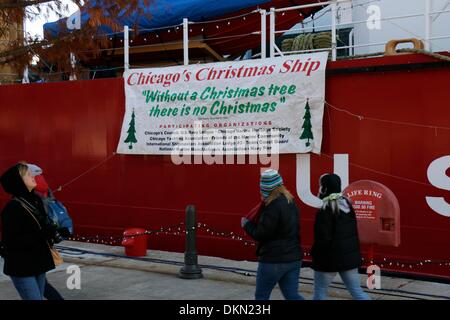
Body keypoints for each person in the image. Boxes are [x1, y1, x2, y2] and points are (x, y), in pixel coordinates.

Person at [0, 162, 62, 300]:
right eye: (28, 175)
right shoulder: (12, 208)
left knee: (39, 296)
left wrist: (52, 231)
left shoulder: (36, 200)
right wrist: (43, 234)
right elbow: (12, 242)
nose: (33, 176)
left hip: (39, 262)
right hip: (22, 266)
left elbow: (41, 227)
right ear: (19, 182)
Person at [241, 169, 304, 300]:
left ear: (265, 188)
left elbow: (261, 234)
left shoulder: (272, 207)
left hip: (273, 260)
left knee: (261, 296)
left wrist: (246, 224)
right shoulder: (290, 201)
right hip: (294, 258)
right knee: (292, 295)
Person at [311, 173, 371, 300]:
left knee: (319, 294)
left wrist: (314, 254)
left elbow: (323, 240)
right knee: (357, 292)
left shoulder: (325, 211)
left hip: (328, 262)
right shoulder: (348, 206)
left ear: (324, 189)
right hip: (349, 260)